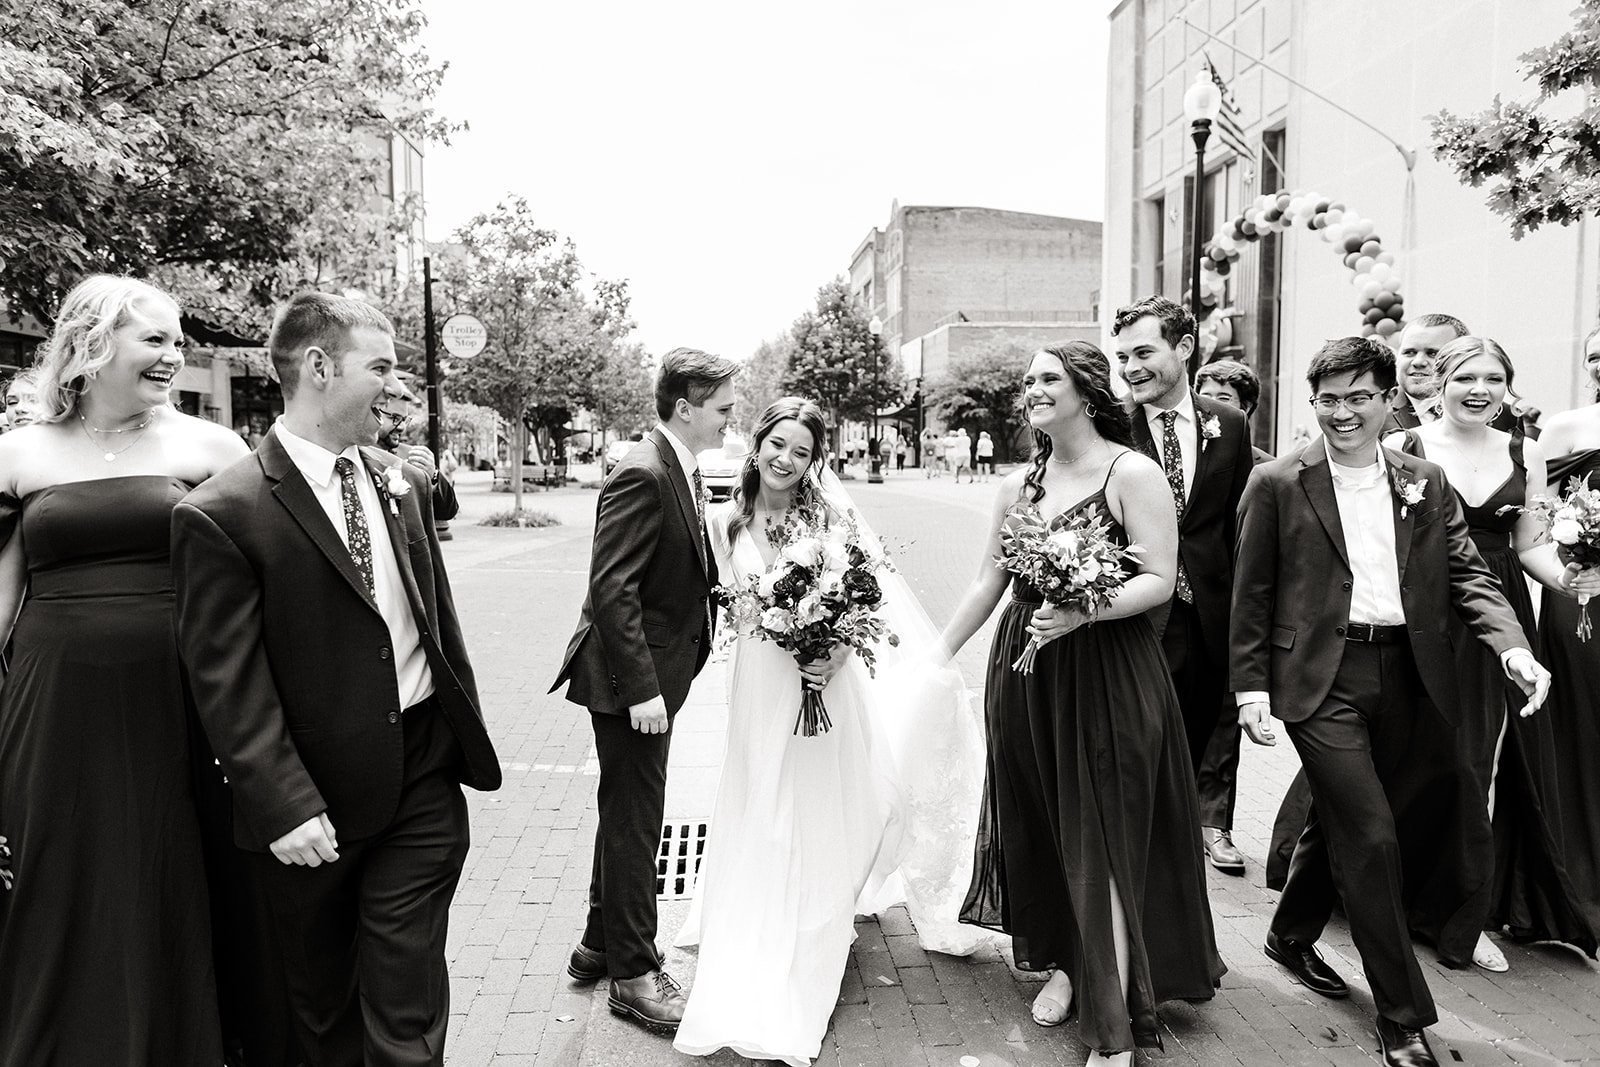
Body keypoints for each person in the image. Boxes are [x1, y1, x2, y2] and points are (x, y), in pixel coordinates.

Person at [173, 291, 503, 1065]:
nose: (397, 386)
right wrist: (283, 803)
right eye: (381, 367)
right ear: (319, 367)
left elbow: (434, 622)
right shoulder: (224, 511)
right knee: (318, 1007)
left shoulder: (401, 482)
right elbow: (226, 677)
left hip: (422, 776)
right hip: (310, 804)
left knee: (406, 991)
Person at [1233, 335, 1550, 1067]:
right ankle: (1403, 1016)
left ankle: (1287, 934)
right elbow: (1250, 595)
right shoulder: (1278, 482)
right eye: (1328, 399)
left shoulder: (1423, 479)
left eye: (1358, 397)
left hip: (1411, 672)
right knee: (1373, 835)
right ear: (1312, 402)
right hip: (1321, 679)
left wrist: (1514, 646)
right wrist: (1250, 687)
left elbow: (1469, 573)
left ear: (1386, 401)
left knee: (1344, 817)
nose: (1342, 412)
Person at [672, 397, 987, 1064]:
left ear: (817, 460)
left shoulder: (827, 516)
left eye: (802, 450)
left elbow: (865, 590)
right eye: (777, 444)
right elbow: (726, 605)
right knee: (763, 796)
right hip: (760, 682)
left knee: (823, 795)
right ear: (757, 444)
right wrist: (765, 626)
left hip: (825, 677)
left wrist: (834, 648)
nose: (786, 459)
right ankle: (762, 911)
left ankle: (817, 911)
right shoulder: (724, 519)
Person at [941, 342, 1223, 1065]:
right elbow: (987, 582)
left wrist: (1084, 611)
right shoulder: (1018, 484)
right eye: (1028, 380)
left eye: (1047, 378)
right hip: (1026, 673)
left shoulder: (1131, 473)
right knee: (1047, 825)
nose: (1032, 389)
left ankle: (1113, 1022)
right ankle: (1072, 961)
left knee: (1103, 831)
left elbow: (1160, 576)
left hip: (1108, 672)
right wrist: (933, 655)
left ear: (1086, 390)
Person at [0, 274, 248, 1065]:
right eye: (157, 339)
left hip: (178, 701)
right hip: (50, 706)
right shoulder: (16, 454)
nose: (175, 355)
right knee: (56, 870)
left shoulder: (212, 449)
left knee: (167, 869)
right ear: (91, 344)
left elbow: (259, 590)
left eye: (180, 341)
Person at [550, 347, 738, 1032]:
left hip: (650, 674)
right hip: (631, 683)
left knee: (625, 812)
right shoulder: (644, 471)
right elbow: (611, 588)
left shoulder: (672, 465)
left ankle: (598, 945)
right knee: (636, 822)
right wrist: (641, 690)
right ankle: (633, 972)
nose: (729, 418)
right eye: (721, 407)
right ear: (684, 407)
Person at [1112, 297, 1253, 874]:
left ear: (1186, 349)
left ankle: (1174, 870)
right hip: (1134, 620)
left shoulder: (1231, 424)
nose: (1130, 367)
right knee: (1132, 752)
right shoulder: (1109, 425)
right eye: (1123, 357)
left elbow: (1237, 526)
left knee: (1193, 749)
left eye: (1144, 352)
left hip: (1207, 622)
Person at [1532, 321, 1600, 935]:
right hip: (1579, 596)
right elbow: (1540, 513)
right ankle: (1577, 877)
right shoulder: (1565, 429)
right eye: (1596, 355)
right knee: (1578, 729)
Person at [376, 391, 459, 521]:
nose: (402, 427)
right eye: (395, 418)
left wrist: (433, 476)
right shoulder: (349, 457)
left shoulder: (412, 457)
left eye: (404, 420)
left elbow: (447, 512)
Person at [1387, 314, 1467, 430]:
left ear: (1462, 359)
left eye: (1433, 353)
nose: (1418, 362)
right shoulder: (1376, 413)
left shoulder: (1495, 415)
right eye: (1409, 352)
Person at [1195, 359, 1273, 463]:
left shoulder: (1267, 467)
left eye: (1223, 398)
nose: (1211, 406)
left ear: (1246, 407)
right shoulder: (1183, 455)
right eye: (1205, 398)